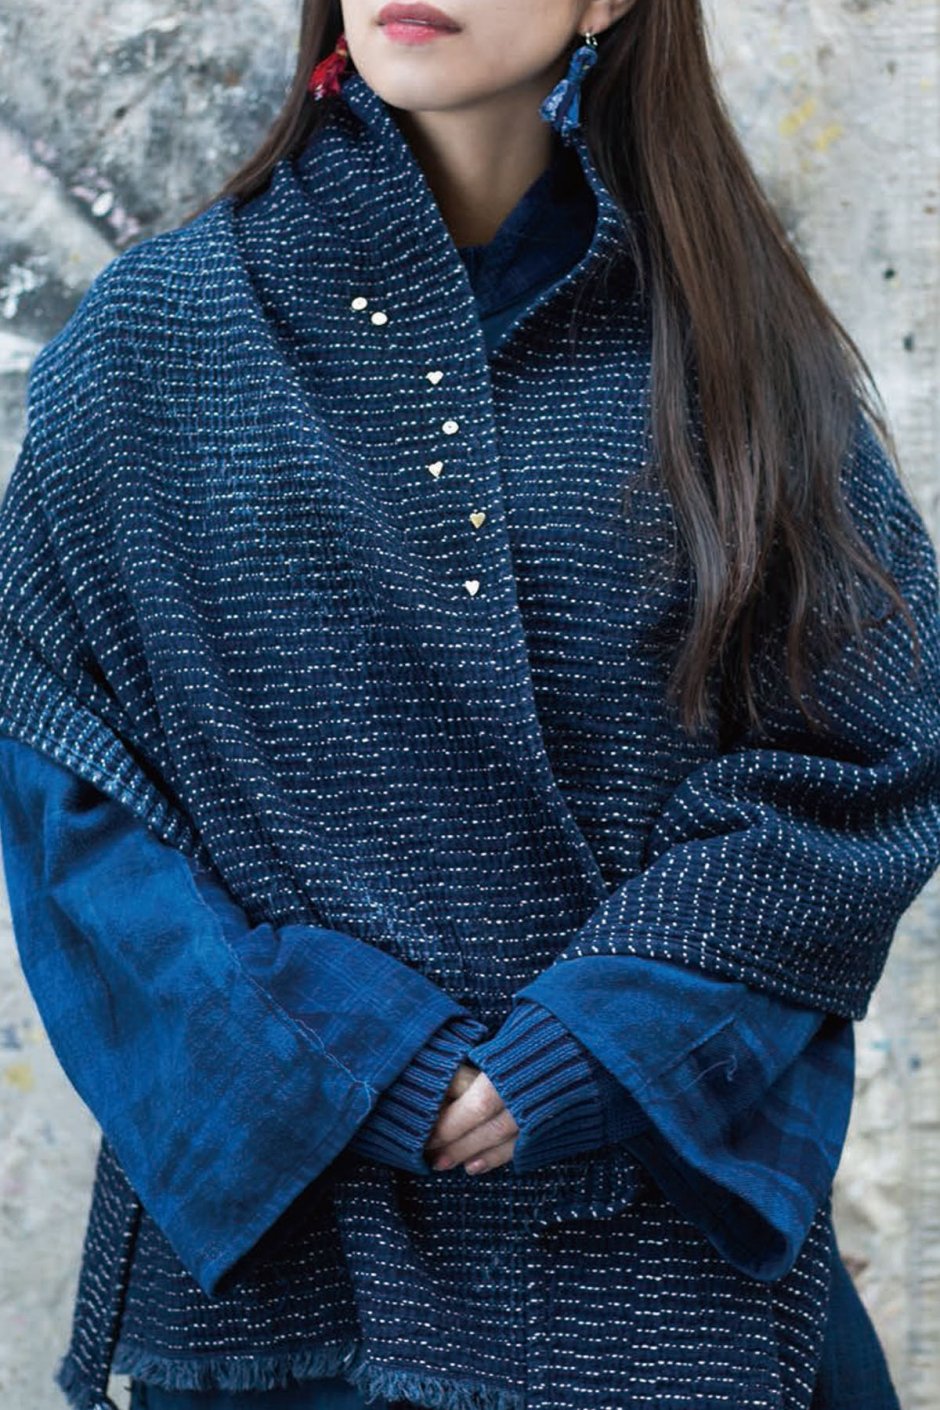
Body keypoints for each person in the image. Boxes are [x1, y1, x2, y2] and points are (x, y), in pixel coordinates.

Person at [0, 2, 936, 1408]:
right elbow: (64, 783)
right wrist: (350, 1060)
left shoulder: (740, 347)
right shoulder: (156, 341)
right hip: (296, 1293)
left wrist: (596, 1042)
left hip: (664, 1278)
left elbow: (861, 765)